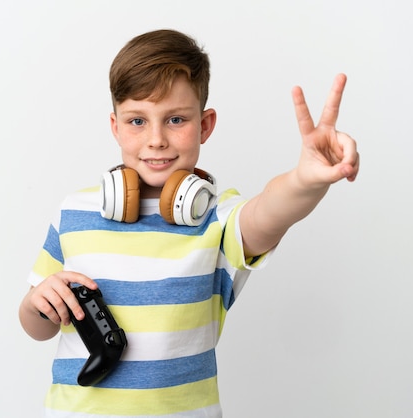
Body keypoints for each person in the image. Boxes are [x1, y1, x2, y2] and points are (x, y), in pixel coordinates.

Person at [19, 29, 359, 417]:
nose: (156, 139)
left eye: (175, 119)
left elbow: (271, 212)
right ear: (115, 126)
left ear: (205, 125)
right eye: (137, 121)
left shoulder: (216, 217)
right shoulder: (74, 212)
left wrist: (304, 179)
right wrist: (36, 304)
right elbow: (39, 326)